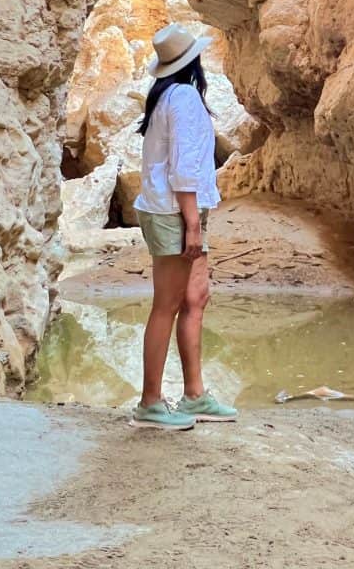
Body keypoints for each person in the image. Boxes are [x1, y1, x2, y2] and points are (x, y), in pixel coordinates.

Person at [130, 23, 237, 430]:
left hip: (177, 209)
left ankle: (194, 396)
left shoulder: (167, 96)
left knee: (196, 297)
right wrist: (192, 224)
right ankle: (149, 404)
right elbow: (184, 167)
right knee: (167, 304)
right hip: (176, 212)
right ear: (193, 62)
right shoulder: (187, 97)